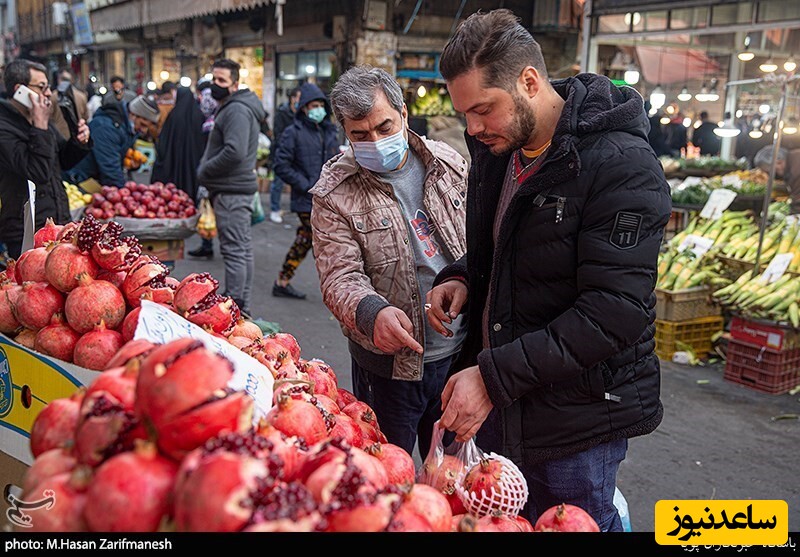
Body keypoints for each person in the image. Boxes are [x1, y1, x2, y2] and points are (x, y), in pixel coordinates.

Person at [425, 9, 671, 530]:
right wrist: (464, 277)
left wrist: (492, 377)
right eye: (464, 112)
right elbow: (513, 249)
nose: (471, 127)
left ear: (529, 82)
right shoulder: (499, 147)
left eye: (482, 109)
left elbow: (614, 312)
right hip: (505, 404)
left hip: (575, 420)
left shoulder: (621, 165)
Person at [310, 66, 469, 458]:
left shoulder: (446, 162)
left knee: (453, 475)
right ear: (345, 133)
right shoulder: (334, 193)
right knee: (386, 475)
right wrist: (371, 312)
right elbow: (339, 276)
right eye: (360, 135)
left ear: (403, 115)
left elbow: (477, 240)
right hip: (389, 369)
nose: (376, 141)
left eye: (384, 127)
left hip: (461, 357)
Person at [0, 59, 91, 259]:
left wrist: (79, 141)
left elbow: (62, 161)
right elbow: (37, 172)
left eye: (48, 87)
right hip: (26, 232)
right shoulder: (4, 126)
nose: (48, 93)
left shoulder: (39, 120)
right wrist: (39, 125)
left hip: (56, 221)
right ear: (19, 90)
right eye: (41, 87)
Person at [197, 59, 266, 316]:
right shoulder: (234, 106)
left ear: (235, 85)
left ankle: (235, 307)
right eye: (213, 79)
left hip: (232, 191)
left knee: (235, 251)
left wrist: (205, 170)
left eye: (222, 81)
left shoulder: (236, 110)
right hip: (234, 189)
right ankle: (240, 307)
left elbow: (234, 152)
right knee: (241, 249)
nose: (216, 85)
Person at [271, 82, 339, 300]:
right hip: (305, 198)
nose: (316, 109)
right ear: (303, 108)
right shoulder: (293, 132)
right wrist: (306, 184)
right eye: (312, 106)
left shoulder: (329, 131)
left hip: (328, 198)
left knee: (306, 239)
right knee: (321, 241)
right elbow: (281, 165)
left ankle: (282, 280)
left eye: (320, 105)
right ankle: (335, 286)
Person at [66, 95, 160, 188]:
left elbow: (117, 155)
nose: (144, 130)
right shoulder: (106, 127)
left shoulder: (127, 128)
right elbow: (109, 166)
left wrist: (131, 165)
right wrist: (124, 195)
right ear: (133, 115)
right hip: (79, 180)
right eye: (142, 124)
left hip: (94, 179)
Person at [151, 86, 206, 200]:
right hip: (193, 163)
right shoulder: (199, 115)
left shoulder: (173, 116)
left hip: (173, 162)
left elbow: (163, 142)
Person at [188, 80, 219, 260]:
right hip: (212, 168)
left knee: (209, 204)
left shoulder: (209, 123)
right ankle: (209, 243)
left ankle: (209, 243)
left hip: (211, 169)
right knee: (210, 206)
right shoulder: (216, 117)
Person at [269, 87, 302, 224]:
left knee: (298, 182)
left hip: (298, 153)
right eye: (299, 97)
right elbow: (278, 134)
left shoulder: (301, 114)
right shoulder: (282, 113)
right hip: (283, 152)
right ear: (293, 98)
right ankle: (274, 209)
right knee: (278, 182)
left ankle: (298, 210)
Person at [754, 146, 799, 214]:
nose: (773, 175)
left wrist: (789, 215)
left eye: (770, 172)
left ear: (779, 163)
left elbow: (798, 202)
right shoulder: (795, 156)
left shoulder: (795, 171)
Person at [50, 68, 89, 140]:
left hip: (58, 136)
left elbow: (49, 117)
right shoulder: (81, 96)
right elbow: (86, 116)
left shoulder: (53, 96)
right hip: (77, 135)